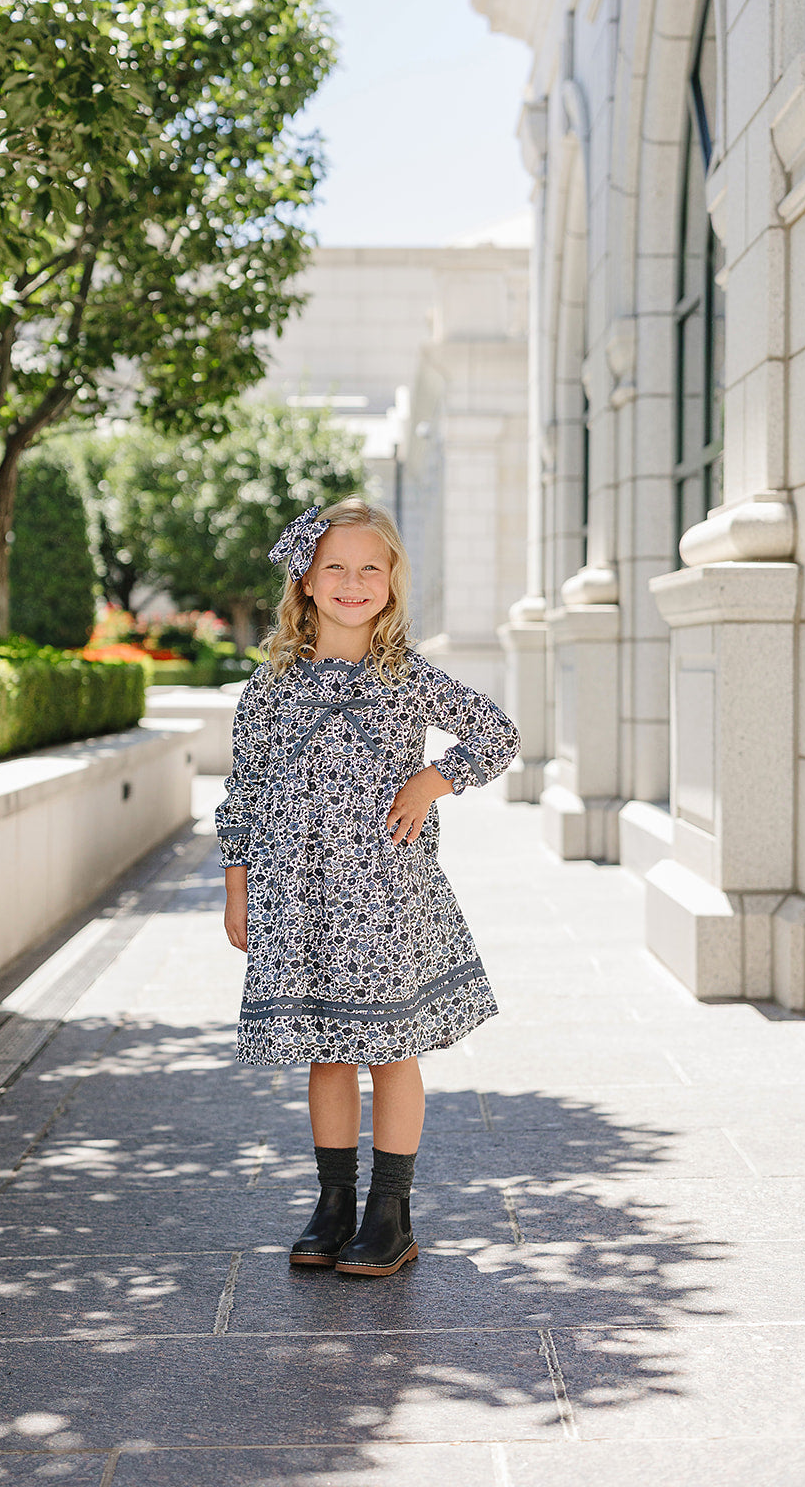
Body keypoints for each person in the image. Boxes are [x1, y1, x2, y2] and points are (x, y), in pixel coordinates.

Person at [216, 497, 520, 1277]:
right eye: (335, 568)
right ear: (306, 583)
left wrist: (431, 780)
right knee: (324, 1051)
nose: (353, 582)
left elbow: (496, 735)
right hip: (297, 895)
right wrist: (237, 886)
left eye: (370, 568)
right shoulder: (269, 690)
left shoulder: (406, 677)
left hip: (383, 897)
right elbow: (242, 792)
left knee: (386, 1049)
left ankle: (391, 1210)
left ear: (390, 582)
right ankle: (333, 1200)